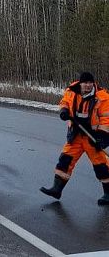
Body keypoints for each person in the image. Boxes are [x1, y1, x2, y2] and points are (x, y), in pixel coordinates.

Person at [40, 72, 109, 206]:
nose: (88, 85)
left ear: (93, 83)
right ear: (80, 83)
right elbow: (64, 102)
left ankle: (108, 194)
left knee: (101, 166)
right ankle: (56, 189)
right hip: (76, 135)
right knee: (65, 160)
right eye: (85, 83)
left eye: (90, 82)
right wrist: (64, 110)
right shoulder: (71, 91)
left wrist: (103, 136)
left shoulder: (103, 97)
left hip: (92, 137)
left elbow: (107, 119)